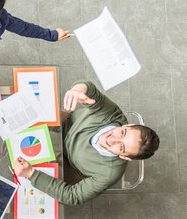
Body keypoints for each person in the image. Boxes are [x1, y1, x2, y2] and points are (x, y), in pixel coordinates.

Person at [14, 80, 160, 205]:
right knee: (16, 120)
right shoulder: (112, 114)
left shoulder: (110, 173)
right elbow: (90, 89)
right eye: (122, 133)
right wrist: (79, 89)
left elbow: (72, 196)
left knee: (13, 158)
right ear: (126, 126)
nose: (112, 139)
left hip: (67, 163)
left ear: (125, 157)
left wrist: (31, 174)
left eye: (121, 147)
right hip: (64, 124)